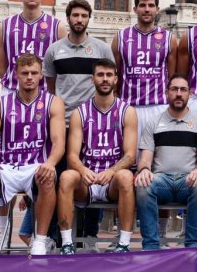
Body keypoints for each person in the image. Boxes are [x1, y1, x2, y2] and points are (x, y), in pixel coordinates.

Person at [0, 54, 66, 255]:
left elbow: (58, 143)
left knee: (48, 177)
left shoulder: (53, 102)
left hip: (37, 166)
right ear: (16, 75)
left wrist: (50, 163)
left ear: (41, 76)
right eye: (24, 73)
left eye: (34, 73)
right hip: (7, 167)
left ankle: (40, 239)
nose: (29, 77)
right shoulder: (0, 103)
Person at [0, 0, 66, 247]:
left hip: (43, 99)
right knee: (5, 162)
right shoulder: (6, 25)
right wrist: (14, 86)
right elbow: (2, 65)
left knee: (42, 163)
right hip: (14, 95)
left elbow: (56, 65)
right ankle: (3, 231)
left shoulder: (56, 26)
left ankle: (40, 233)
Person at [55, 59, 138, 254]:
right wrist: (83, 170)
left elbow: (130, 156)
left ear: (116, 79)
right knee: (66, 177)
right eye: (100, 75)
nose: (105, 79)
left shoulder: (127, 112)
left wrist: (111, 171)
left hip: (113, 181)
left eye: (109, 75)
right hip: (88, 178)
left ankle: (124, 243)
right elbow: (72, 155)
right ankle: (67, 243)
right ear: (92, 79)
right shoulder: (79, 113)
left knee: (126, 176)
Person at [134, 74, 197, 250]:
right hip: (162, 180)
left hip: (188, 180)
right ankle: (151, 246)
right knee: (143, 184)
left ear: (189, 94)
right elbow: (145, 158)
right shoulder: (153, 122)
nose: (178, 93)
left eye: (183, 90)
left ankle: (192, 245)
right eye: (174, 89)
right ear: (166, 93)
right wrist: (144, 169)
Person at [112, 0, 173, 137]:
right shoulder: (120, 37)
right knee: (129, 155)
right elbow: (115, 74)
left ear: (157, 9)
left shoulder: (169, 38)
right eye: (142, 5)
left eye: (151, 5)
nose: (147, 9)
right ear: (135, 9)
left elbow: (172, 74)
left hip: (159, 106)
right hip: (129, 105)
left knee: (158, 156)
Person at [43, 0, 114, 117]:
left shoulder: (103, 49)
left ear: (88, 19)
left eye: (84, 16)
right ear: (67, 18)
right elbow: (51, 87)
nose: (79, 20)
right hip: (62, 119)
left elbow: (111, 84)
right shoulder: (53, 50)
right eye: (75, 15)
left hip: (92, 119)